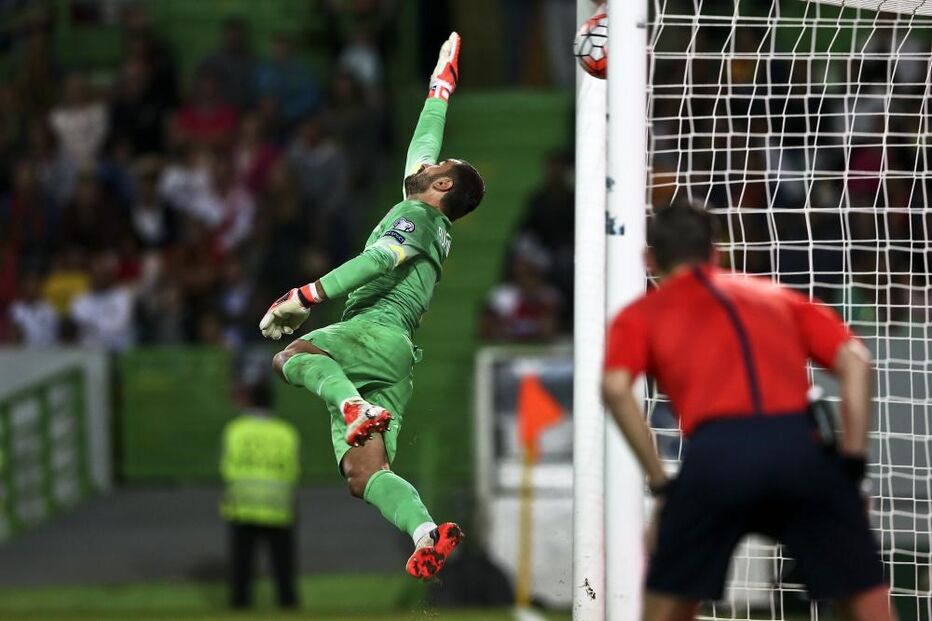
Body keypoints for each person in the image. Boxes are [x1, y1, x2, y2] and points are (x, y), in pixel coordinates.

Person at [601, 202, 895, 621]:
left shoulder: (641, 315)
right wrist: (851, 465)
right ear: (716, 252)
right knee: (865, 606)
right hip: (802, 452)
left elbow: (614, 387)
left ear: (649, 260)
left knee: (666, 607)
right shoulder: (777, 296)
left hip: (716, 458)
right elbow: (857, 363)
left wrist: (661, 483)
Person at [260, 33, 484, 580]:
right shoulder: (429, 213)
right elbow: (423, 141)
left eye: (438, 165)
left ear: (442, 182)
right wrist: (440, 85)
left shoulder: (417, 218)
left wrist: (306, 295)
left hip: (374, 328)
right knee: (364, 474)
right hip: (397, 357)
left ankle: (353, 406)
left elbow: (380, 259)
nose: (426, 161)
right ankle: (425, 533)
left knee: (292, 356)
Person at [220, 403, 300, 609]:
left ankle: (240, 609)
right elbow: (292, 471)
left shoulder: (236, 430)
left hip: (243, 507)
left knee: (241, 573)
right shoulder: (286, 432)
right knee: (284, 574)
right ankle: (289, 610)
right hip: (278, 508)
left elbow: (228, 468)